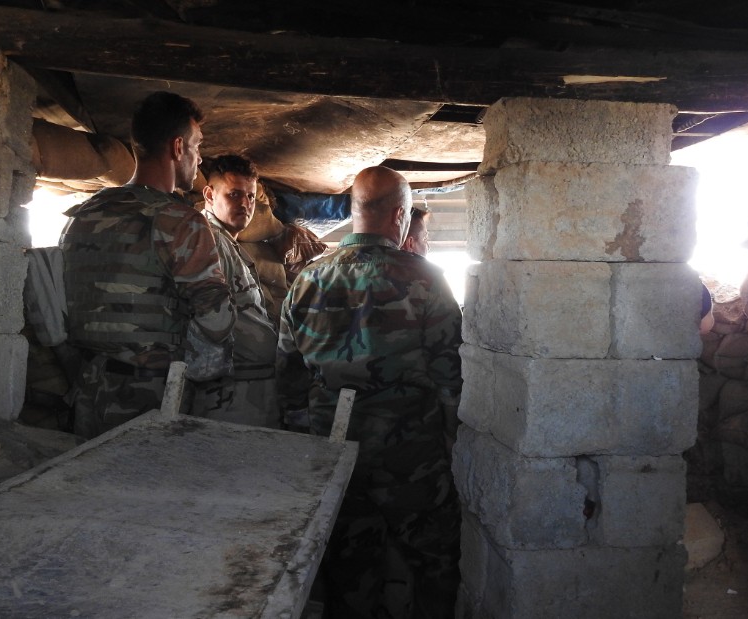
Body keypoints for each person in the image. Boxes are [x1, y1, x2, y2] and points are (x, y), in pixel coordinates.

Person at [277, 166, 463, 619]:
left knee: (348, 571)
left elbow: (288, 375)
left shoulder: (306, 280)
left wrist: (308, 434)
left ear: (354, 210)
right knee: (433, 563)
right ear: (400, 215)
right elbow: (450, 377)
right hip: (410, 453)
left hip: (334, 450)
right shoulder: (426, 280)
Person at [60, 91, 235, 439]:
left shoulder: (82, 214)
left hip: (86, 392)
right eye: (197, 146)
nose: (199, 159)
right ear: (177, 148)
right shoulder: (180, 221)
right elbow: (217, 321)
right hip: (150, 398)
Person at [193, 154, 281, 428]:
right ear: (209, 195)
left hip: (246, 388)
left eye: (251, 196)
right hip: (229, 394)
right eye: (234, 194)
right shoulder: (208, 243)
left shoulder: (228, 244)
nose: (245, 204)